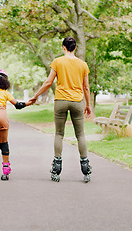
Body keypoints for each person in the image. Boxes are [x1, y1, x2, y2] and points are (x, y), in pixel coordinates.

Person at [29, 37, 92, 183]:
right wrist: (87, 105)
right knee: (80, 135)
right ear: (75, 48)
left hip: (61, 101)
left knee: (59, 133)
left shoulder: (57, 62)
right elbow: (86, 87)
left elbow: (48, 82)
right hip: (77, 101)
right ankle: (86, 167)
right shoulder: (83, 65)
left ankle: (56, 168)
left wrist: (35, 96)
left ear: (63, 47)